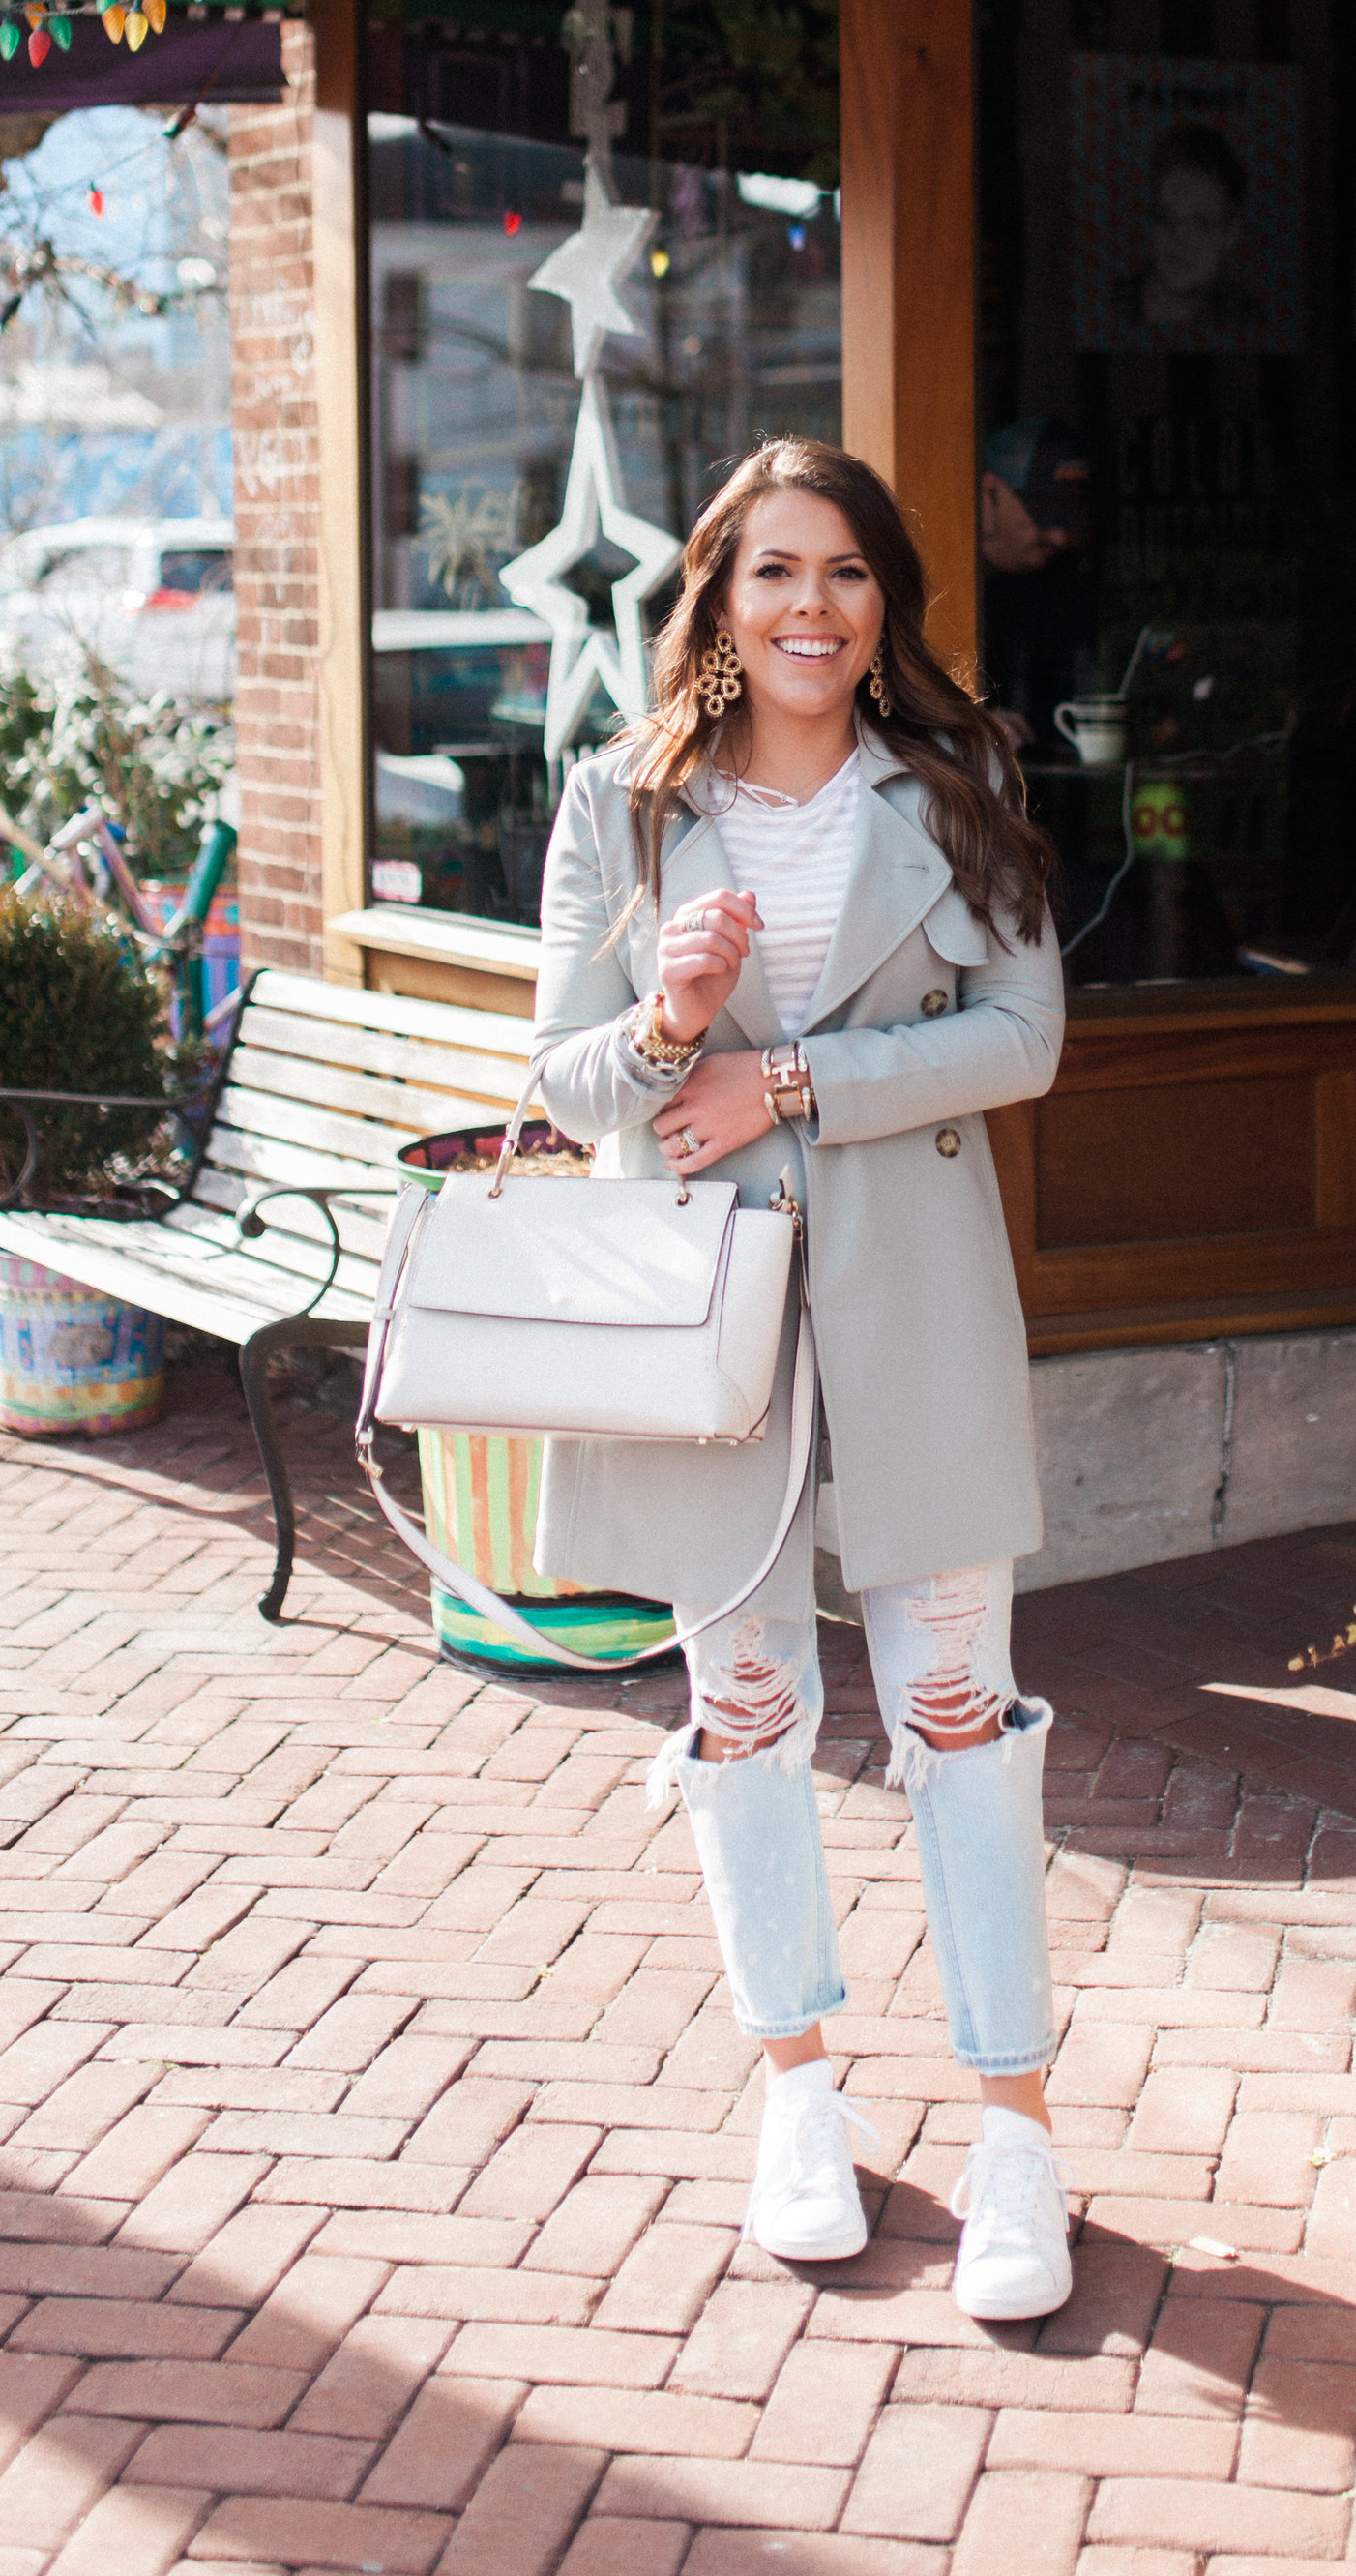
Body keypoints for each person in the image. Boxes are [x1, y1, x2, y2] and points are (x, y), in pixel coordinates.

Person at [529, 435, 1074, 2318]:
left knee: (951, 1700)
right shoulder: (625, 797)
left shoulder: (960, 775)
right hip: (708, 1306)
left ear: (883, 601)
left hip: (913, 1282)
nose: (810, 608)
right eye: (772, 571)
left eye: (843, 573)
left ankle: (1014, 2128)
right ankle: (800, 2090)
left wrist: (797, 1077)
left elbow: (1023, 1039)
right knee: (747, 1696)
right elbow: (564, 1078)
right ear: (717, 595)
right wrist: (670, 1015)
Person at [977, 417, 1095, 755]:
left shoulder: (1060, 579)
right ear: (989, 494)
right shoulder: (930, 580)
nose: (1059, 537)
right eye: (1043, 514)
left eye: (1068, 518)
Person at [1115, 118, 1266, 344]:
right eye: (1166, 218)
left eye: (1201, 224)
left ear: (1230, 234)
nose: (1180, 240)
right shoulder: (1112, 305)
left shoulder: (1248, 320)